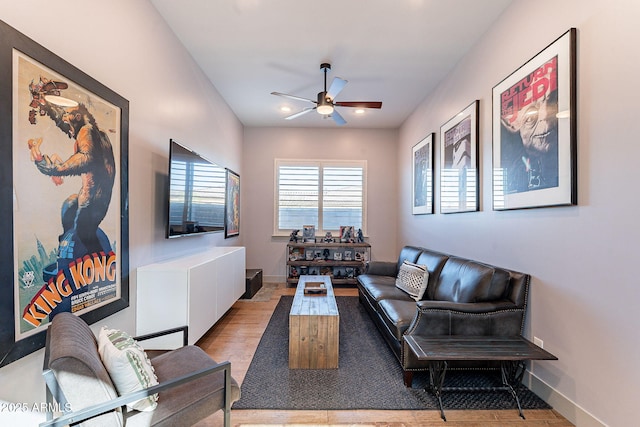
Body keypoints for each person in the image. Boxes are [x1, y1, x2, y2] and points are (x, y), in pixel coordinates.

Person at [29, 92, 116, 255]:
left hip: (93, 201)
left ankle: (101, 263)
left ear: (77, 117)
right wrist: (47, 106)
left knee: (84, 231)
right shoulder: (95, 133)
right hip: (93, 197)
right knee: (69, 206)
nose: (64, 119)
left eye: (68, 116)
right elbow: (64, 121)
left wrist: (53, 168)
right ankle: (73, 257)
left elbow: (87, 158)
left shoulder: (87, 130)